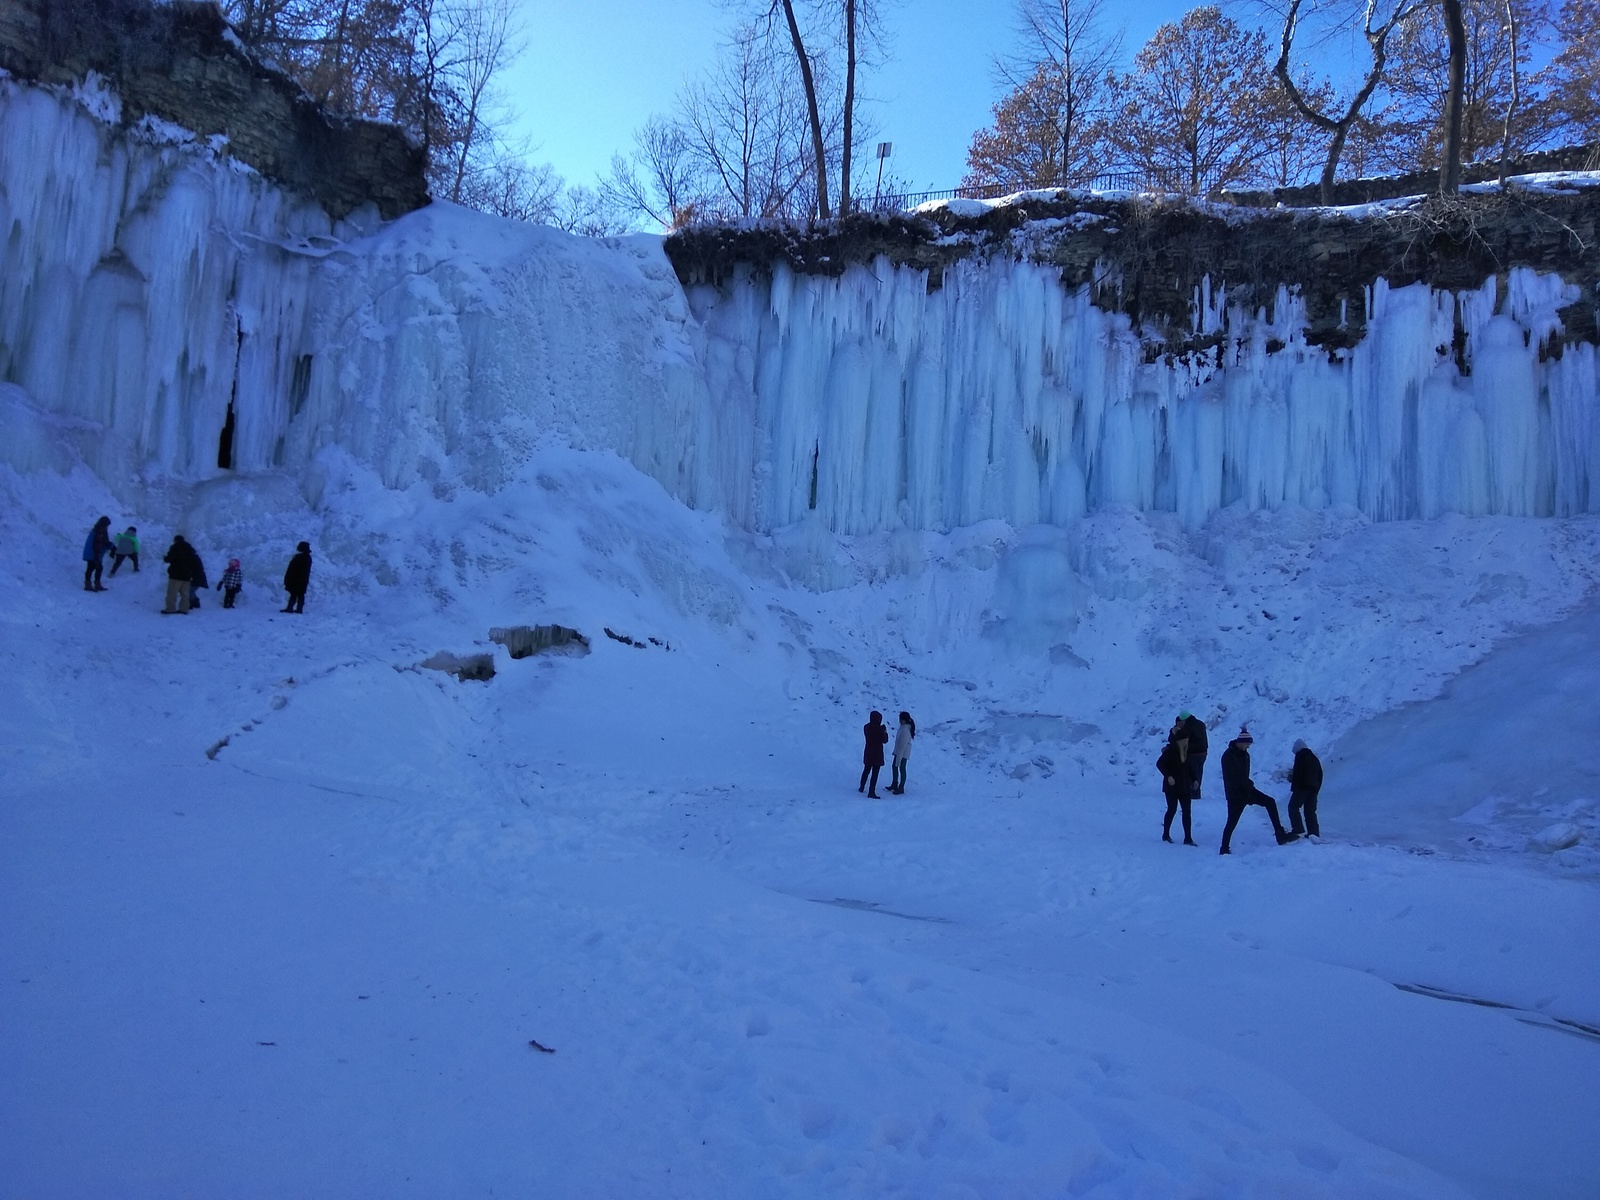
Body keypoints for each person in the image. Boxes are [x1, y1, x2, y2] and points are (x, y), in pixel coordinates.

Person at [1219, 726, 1297, 854]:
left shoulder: (1245, 755)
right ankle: (1224, 848)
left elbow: (1244, 775)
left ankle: (1280, 834)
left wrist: (1248, 787)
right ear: (1241, 742)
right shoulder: (1228, 756)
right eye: (1247, 744)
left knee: (1270, 802)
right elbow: (1232, 778)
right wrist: (1246, 787)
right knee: (1232, 821)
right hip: (1236, 795)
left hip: (1247, 789)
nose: (1248, 747)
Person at [1157, 722, 1197, 845]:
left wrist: (1195, 779)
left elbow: (1190, 768)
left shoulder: (1187, 752)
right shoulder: (1169, 752)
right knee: (1172, 809)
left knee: (1187, 811)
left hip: (1185, 787)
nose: (1186, 742)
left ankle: (1188, 838)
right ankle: (1166, 834)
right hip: (1172, 787)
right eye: (1183, 740)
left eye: (1187, 740)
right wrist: (1168, 776)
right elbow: (1160, 764)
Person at [1288, 739, 1324, 838]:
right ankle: (1314, 833)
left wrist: (1295, 786)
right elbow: (1320, 774)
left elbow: (1298, 773)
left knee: (1293, 807)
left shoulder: (1301, 756)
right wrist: (1316, 789)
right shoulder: (1314, 758)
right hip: (1313, 789)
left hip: (1302, 787)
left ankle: (1298, 829)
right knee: (1310, 811)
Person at [162, 535, 197, 614]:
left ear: (175, 540)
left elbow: (170, 559)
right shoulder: (190, 549)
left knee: (172, 593)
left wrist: (165, 558)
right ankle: (184, 609)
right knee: (185, 594)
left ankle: (170, 609)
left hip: (176, 574)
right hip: (187, 575)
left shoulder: (175, 547)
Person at [1178, 710, 1209, 798]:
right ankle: (1197, 792)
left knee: (1192, 774)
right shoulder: (1201, 723)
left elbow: (1183, 739)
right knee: (1199, 773)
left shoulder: (1187, 726)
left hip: (1193, 754)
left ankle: (1193, 793)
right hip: (1203, 753)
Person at [859, 710, 889, 798]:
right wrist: (885, 731)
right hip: (877, 753)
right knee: (875, 773)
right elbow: (885, 740)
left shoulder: (866, 727)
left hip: (868, 751)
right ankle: (871, 791)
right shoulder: (880, 730)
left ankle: (862, 786)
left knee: (866, 770)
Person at [82, 516, 113, 591]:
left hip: (92, 554)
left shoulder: (98, 531)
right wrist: (110, 546)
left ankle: (93, 584)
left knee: (95, 568)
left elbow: (103, 543)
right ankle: (90, 584)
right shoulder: (98, 533)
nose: (107, 527)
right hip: (92, 554)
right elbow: (98, 545)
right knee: (93, 568)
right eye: (107, 525)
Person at [889, 711, 916, 794]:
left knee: (901, 768)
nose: (899, 720)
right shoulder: (904, 727)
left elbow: (902, 746)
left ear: (903, 720)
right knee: (895, 767)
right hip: (899, 752)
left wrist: (899, 757)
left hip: (902, 753)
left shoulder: (905, 730)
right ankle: (895, 783)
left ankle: (901, 787)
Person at [282, 541, 312, 613]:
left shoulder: (300, 558)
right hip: (302, 579)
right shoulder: (307, 558)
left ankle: (290, 608)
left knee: (294, 594)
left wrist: (289, 578)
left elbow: (293, 569)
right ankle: (299, 609)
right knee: (300, 594)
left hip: (296, 579)